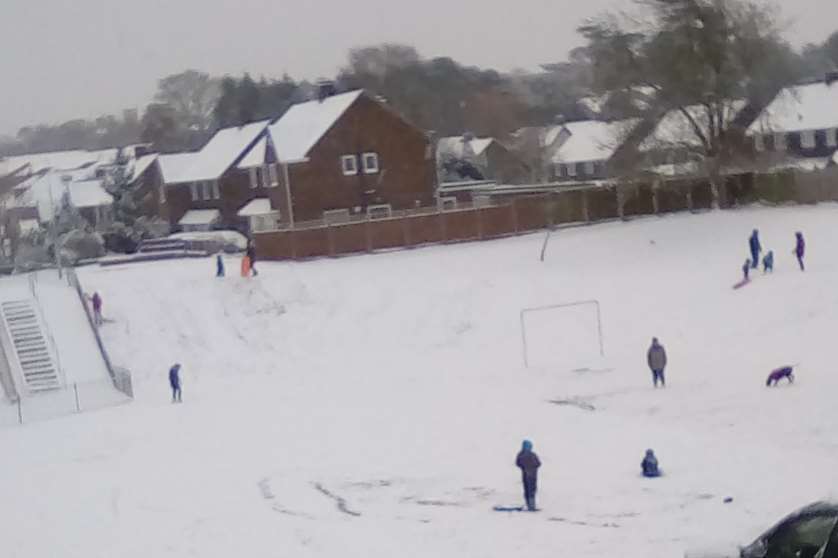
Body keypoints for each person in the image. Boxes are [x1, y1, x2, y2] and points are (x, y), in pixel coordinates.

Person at [515, 440, 541, 511]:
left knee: (527, 490)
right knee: (532, 490)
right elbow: (538, 463)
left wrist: (524, 467)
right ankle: (531, 506)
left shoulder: (521, 454)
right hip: (532, 475)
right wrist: (533, 467)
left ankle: (529, 505)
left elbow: (517, 463)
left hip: (526, 475)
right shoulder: (532, 455)